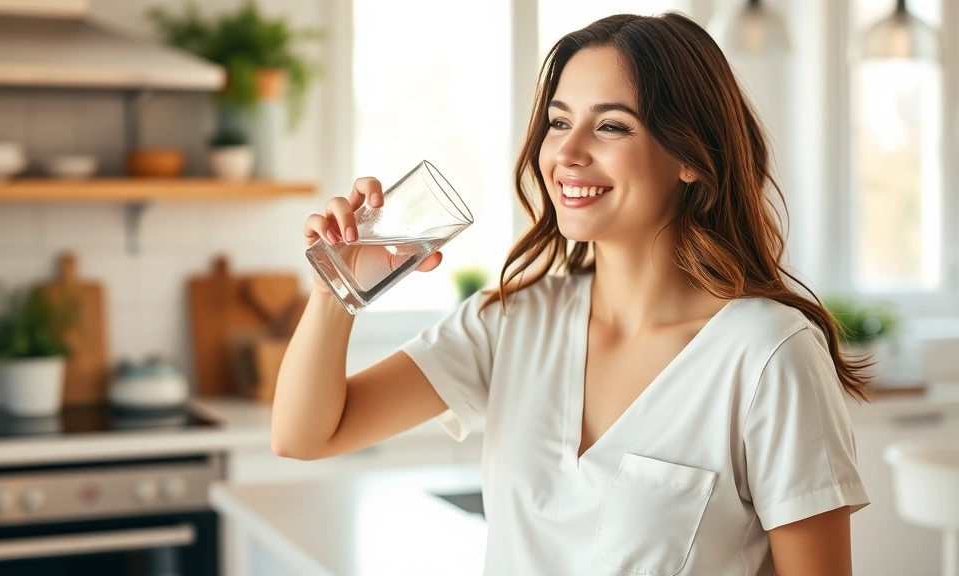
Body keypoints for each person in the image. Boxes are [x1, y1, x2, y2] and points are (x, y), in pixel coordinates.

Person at [273, 11, 871, 576]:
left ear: (690, 156)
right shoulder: (508, 322)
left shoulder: (770, 353)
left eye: (611, 125)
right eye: (559, 122)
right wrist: (339, 285)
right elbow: (305, 435)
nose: (567, 153)